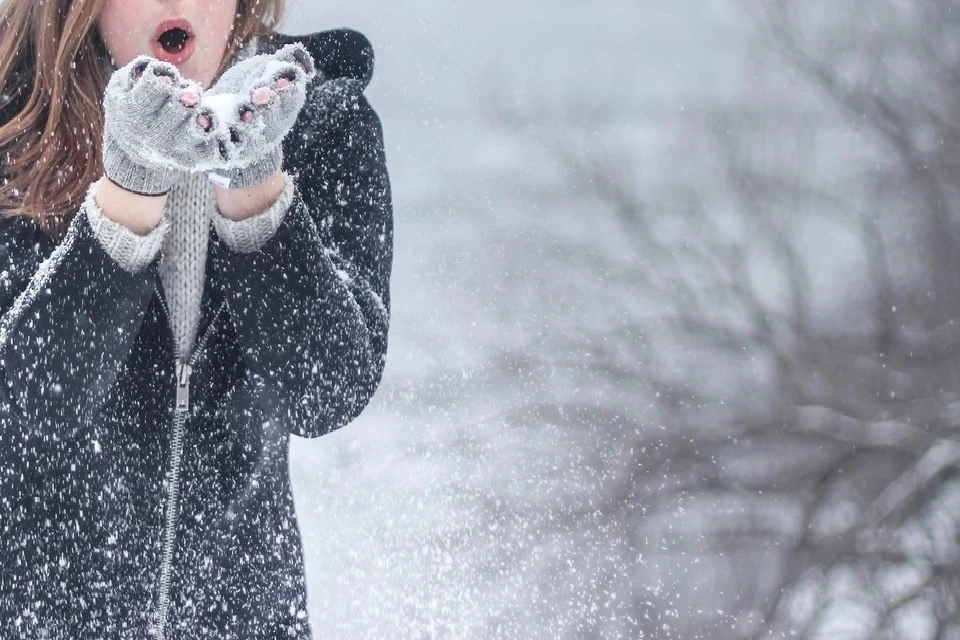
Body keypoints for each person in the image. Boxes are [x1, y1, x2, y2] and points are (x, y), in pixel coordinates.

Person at [0, 0, 393, 637]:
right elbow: (26, 407)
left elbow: (328, 391)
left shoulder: (323, 124)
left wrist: (254, 186)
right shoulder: (14, 127)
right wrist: (130, 190)